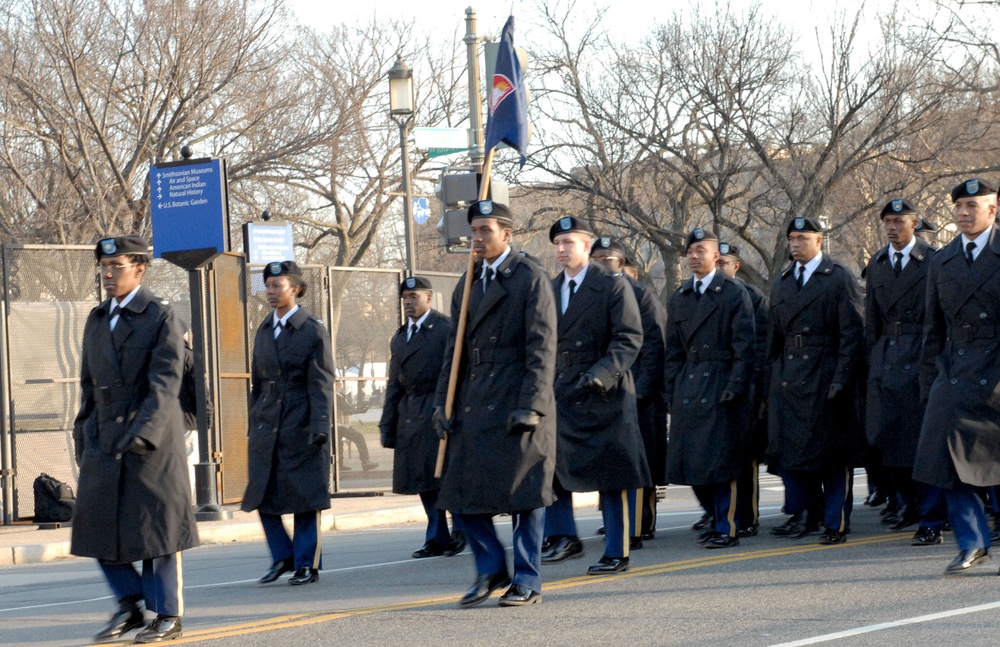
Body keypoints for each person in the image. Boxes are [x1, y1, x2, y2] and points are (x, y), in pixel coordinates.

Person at [71, 235, 198, 643]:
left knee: (157, 532)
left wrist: (143, 434)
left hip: (152, 441)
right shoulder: (96, 318)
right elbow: (89, 386)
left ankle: (168, 614)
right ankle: (130, 604)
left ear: (140, 269)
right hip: (105, 437)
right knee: (95, 526)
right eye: (104, 268)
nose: (108, 275)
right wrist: (84, 432)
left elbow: (165, 385)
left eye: (117, 267)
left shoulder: (161, 317)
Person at [432, 199, 558, 607]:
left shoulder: (529, 277)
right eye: (474, 231)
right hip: (473, 400)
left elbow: (542, 346)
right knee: (460, 495)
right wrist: (442, 403)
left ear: (507, 234)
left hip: (516, 397)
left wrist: (533, 405)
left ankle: (527, 578)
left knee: (525, 495)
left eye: (486, 230)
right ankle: (490, 569)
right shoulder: (467, 282)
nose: (478, 238)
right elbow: (454, 351)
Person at [544, 216, 649, 574]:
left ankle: (616, 550)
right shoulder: (550, 287)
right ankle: (563, 537)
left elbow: (629, 338)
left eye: (569, 242)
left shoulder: (612, 285)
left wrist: (600, 375)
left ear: (587, 246)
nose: (561, 249)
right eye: (557, 243)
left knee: (611, 474)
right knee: (555, 469)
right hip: (562, 391)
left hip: (604, 393)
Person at [913, 178, 1000, 573]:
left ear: (993, 210)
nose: (964, 213)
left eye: (973, 206)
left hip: (996, 368)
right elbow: (933, 327)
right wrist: (928, 379)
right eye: (959, 206)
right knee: (946, 462)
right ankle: (972, 541)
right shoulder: (942, 260)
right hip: (953, 371)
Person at [766, 217, 865, 545]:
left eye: (803, 238)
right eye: (792, 239)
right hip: (789, 378)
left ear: (819, 241)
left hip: (825, 373)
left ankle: (835, 521)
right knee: (794, 453)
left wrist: (842, 379)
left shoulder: (837, 278)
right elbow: (774, 337)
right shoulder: (782, 281)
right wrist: (771, 378)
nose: (795, 245)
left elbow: (852, 334)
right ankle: (804, 514)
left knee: (832, 455)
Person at [242, 260, 334, 586]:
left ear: (295, 288)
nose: (270, 291)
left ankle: (306, 562)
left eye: (276, 285)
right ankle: (282, 556)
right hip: (268, 423)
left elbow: (321, 382)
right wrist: (253, 420)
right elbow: (257, 381)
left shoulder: (312, 330)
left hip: (301, 420)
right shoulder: (265, 329)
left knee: (305, 497)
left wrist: (320, 424)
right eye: (267, 285)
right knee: (262, 495)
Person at [665, 229, 756, 549]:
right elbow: (673, 350)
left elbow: (745, 347)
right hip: (689, 384)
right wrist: (671, 387)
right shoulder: (681, 295)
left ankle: (725, 525)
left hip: (720, 381)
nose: (693, 256)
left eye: (700, 250)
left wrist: (736, 385)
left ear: (716, 256)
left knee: (721, 463)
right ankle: (713, 516)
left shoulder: (733, 292)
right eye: (690, 251)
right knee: (690, 463)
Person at [863, 199, 946, 546]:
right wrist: (873, 362)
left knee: (924, 445)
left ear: (915, 224)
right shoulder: (879, 263)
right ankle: (906, 503)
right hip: (888, 356)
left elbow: (941, 314)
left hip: (924, 354)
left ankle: (931, 517)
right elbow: (872, 321)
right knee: (886, 439)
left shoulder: (934, 260)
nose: (892, 227)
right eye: (887, 222)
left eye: (899, 221)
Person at [379, 276, 465, 559]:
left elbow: (455, 373)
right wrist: (388, 422)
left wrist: (450, 410)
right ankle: (437, 536)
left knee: (444, 478)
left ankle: (461, 530)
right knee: (422, 481)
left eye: (414, 296)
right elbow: (394, 383)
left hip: (436, 409)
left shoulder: (443, 329)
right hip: (410, 414)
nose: (408, 302)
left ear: (429, 298)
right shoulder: (401, 336)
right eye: (405, 297)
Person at [591, 237, 666, 543]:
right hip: (604, 389)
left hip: (637, 391)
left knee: (638, 461)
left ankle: (637, 525)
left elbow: (654, 346)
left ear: (621, 263)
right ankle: (619, 522)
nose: (601, 264)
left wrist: (643, 391)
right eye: (596, 258)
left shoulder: (640, 294)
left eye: (607, 259)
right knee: (613, 459)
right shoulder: (590, 293)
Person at [717, 242, 769, 537]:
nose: (720, 266)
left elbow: (760, 344)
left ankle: (747, 515)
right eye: (718, 261)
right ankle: (722, 511)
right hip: (716, 383)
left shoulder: (751, 296)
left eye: (725, 262)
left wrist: (757, 387)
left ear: (736, 266)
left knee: (745, 455)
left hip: (747, 384)